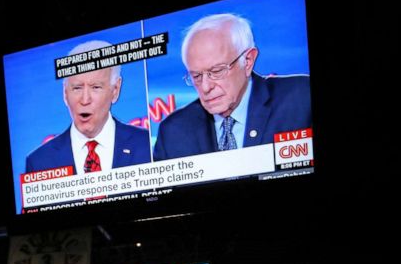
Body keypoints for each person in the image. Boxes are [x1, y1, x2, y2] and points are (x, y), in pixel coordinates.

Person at [153, 13, 312, 161]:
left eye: (217, 71)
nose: (206, 87)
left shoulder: (301, 97)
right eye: (196, 76)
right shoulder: (173, 131)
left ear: (248, 61)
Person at [25, 40, 151, 174]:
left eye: (96, 87)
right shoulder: (39, 163)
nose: (85, 100)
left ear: (115, 90)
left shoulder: (146, 146)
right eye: (77, 88)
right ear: (65, 93)